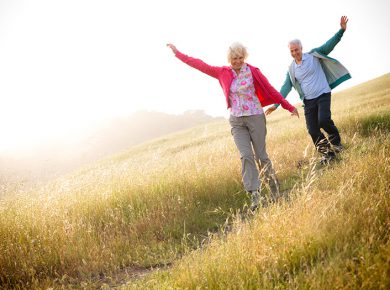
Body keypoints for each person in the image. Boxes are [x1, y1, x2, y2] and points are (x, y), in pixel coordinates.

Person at [167, 42, 299, 211]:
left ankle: (274, 189)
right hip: (237, 121)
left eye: (240, 58)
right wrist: (178, 54)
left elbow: (271, 90)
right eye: (234, 58)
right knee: (246, 155)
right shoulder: (222, 72)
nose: (238, 61)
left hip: (255, 117)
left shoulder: (253, 71)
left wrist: (288, 106)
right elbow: (200, 65)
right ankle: (255, 195)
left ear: (244, 57)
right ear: (230, 59)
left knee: (261, 155)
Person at [266, 16, 351, 165]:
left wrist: (341, 31)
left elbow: (329, 45)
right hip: (309, 101)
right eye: (292, 51)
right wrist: (276, 105)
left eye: (296, 49)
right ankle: (328, 154)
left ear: (301, 48)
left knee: (323, 120)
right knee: (313, 130)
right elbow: (285, 88)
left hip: (323, 94)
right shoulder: (291, 69)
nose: (294, 53)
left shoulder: (313, 55)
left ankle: (336, 144)